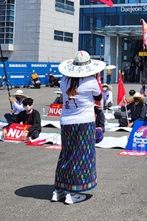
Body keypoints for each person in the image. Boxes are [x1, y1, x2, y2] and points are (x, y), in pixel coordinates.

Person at [52, 50, 104, 204]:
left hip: (66, 121)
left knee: (66, 154)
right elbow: (99, 97)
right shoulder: (91, 81)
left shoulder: (64, 80)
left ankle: (59, 189)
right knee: (81, 156)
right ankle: (73, 192)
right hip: (84, 122)